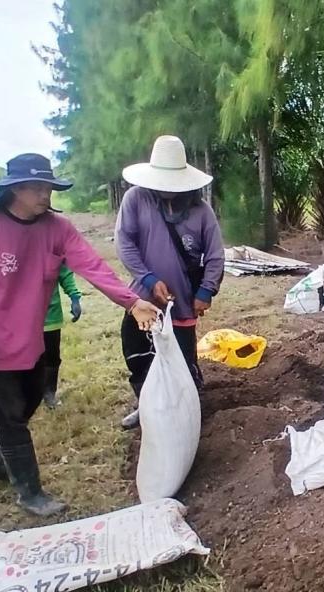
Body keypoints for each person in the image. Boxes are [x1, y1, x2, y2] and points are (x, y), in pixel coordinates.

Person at [0, 153, 160, 516]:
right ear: (14, 190)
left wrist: (131, 301)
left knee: (23, 404)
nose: (46, 194)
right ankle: (30, 493)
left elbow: (92, 266)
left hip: (34, 339)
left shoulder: (57, 228)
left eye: (49, 187)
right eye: (37, 187)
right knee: (12, 418)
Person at [114, 135, 225, 429]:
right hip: (142, 298)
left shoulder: (202, 211)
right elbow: (125, 243)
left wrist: (205, 290)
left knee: (182, 359)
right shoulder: (135, 199)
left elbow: (215, 255)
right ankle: (146, 406)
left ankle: (185, 408)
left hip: (184, 302)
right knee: (139, 353)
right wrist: (149, 278)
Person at [40, 264, 82, 409]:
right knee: (26, 359)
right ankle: (26, 394)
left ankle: (49, 392)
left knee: (51, 357)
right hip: (22, 318)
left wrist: (74, 297)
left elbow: (64, 273)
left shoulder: (52, 247)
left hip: (51, 316)